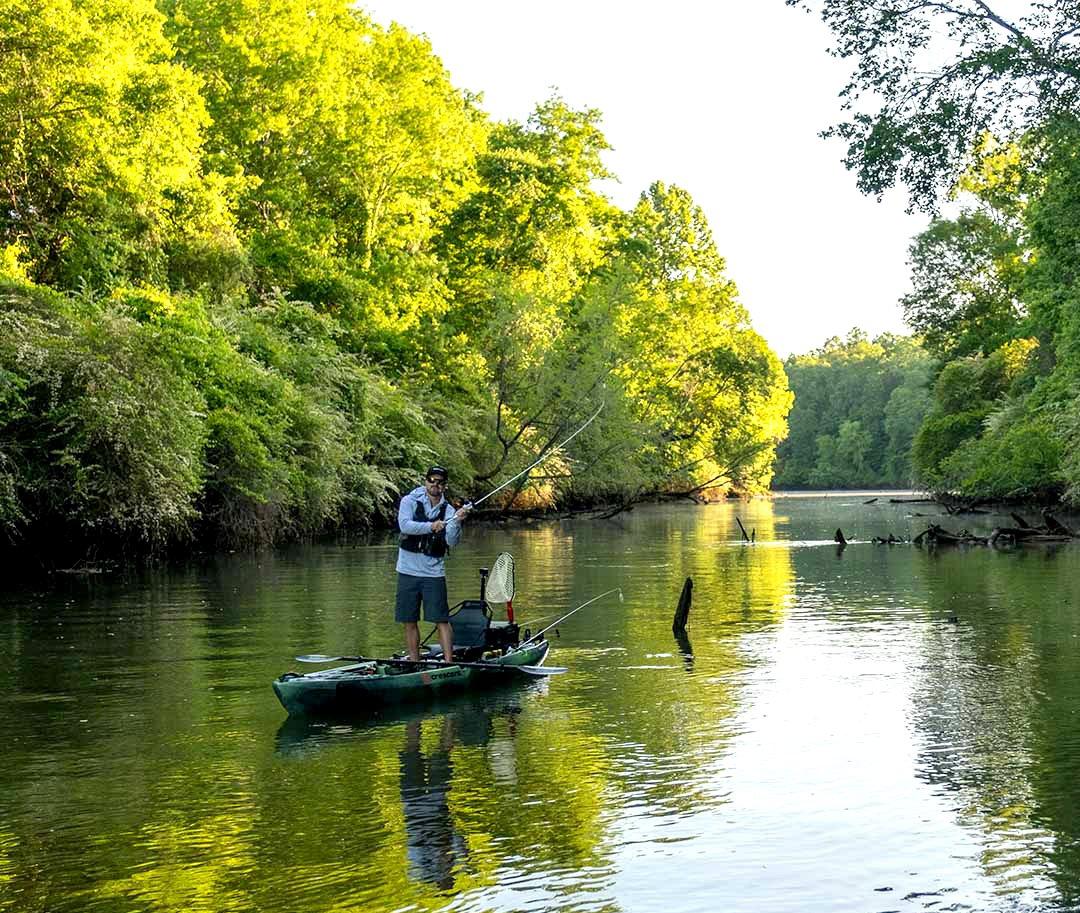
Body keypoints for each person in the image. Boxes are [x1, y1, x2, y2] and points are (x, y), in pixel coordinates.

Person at [396, 465, 471, 662]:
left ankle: (449, 662)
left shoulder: (449, 510)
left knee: (441, 620)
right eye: (432, 480)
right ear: (426, 481)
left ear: (444, 486)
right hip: (407, 571)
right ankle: (414, 661)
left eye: (440, 482)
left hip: (433, 573)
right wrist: (431, 526)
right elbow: (405, 525)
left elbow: (452, 541)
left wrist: (456, 522)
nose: (435, 484)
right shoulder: (409, 501)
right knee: (409, 619)